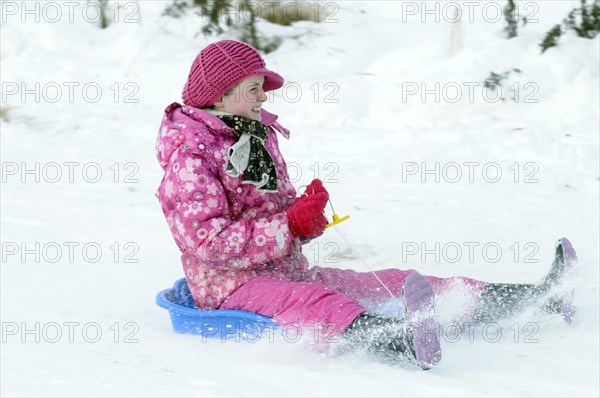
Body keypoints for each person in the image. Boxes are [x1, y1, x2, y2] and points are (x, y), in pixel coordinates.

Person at [155, 39, 576, 370]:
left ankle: (533, 297)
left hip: (287, 270)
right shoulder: (190, 159)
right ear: (220, 95)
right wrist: (290, 227)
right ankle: (398, 341)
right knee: (319, 303)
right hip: (232, 288)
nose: (263, 99)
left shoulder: (254, 137)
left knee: (392, 281)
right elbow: (207, 241)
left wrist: (307, 213)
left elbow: (279, 213)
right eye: (253, 90)